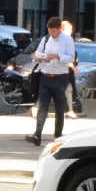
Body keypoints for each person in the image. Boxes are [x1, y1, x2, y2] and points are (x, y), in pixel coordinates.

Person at [28, 15, 74, 146]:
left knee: (60, 107)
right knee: (43, 106)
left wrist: (57, 56)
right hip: (46, 76)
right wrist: (38, 58)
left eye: (54, 31)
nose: (51, 34)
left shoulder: (67, 40)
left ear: (60, 29)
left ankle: (58, 135)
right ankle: (37, 134)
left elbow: (71, 57)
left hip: (60, 78)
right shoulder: (46, 39)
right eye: (49, 31)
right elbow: (38, 53)